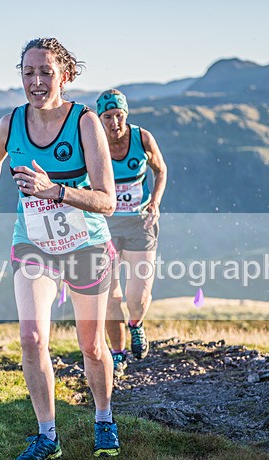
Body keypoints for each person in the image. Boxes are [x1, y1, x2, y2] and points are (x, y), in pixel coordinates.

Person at [0, 38, 121, 460]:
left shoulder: (85, 122)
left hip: (86, 245)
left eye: (45, 72)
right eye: (28, 73)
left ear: (65, 75)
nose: (36, 82)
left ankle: (103, 418)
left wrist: (54, 190)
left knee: (92, 346)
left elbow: (107, 201)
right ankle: (47, 436)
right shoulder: (11, 122)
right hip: (34, 243)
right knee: (32, 338)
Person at [96, 89, 167, 376]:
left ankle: (136, 323)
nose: (114, 123)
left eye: (119, 116)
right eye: (108, 117)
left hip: (140, 223)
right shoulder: (93, 142)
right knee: (110, 295)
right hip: (106, 225)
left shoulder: (142, 138)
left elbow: (161, 170)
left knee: (137, 295)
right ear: (100, 118)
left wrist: (155, 202)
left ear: (126, 114)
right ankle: (117, 353)